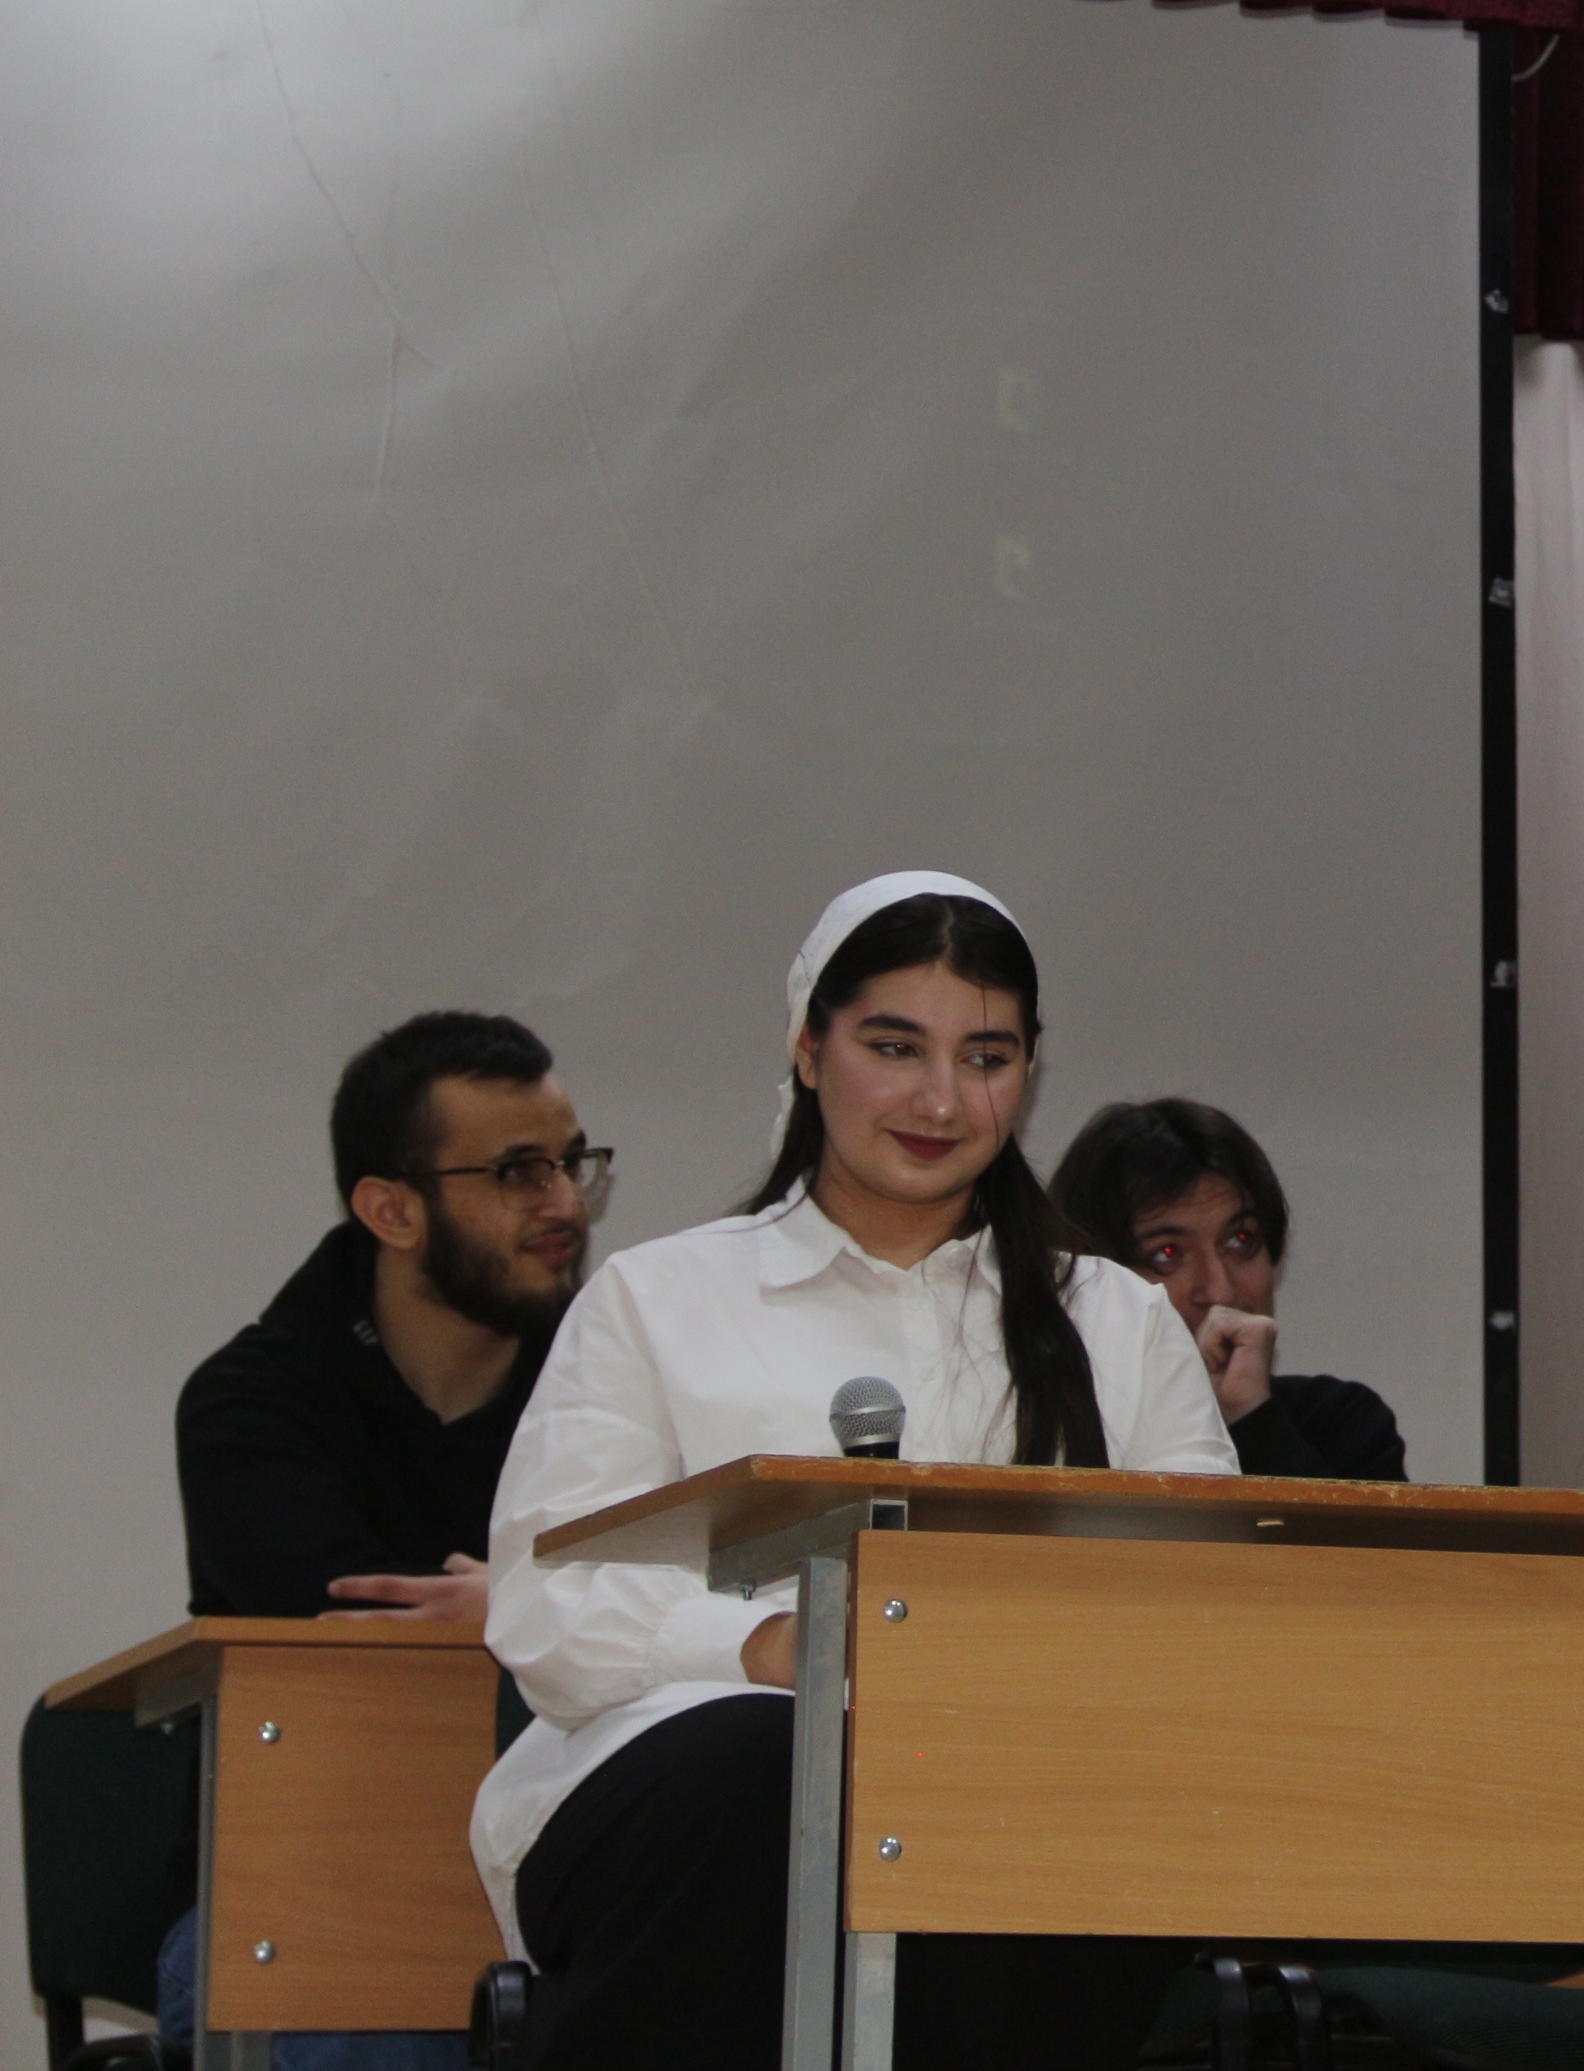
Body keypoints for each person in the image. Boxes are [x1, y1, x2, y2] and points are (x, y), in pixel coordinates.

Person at [475, 875, 1237, 2071]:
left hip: (1006, 1778)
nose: (941, 1100)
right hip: (694, 1781)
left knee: (1075, 1803)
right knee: (773, 1763)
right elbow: (545, 1597)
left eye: (986, 1058)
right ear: (808, 1046)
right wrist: (776, 1650)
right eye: (894, 1047)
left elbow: (1209, 1614)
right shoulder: (660, 1298)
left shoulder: (1118, 1322)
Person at [159, 1010, 603, 2070]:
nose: (565, 1203)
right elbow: (360, 1628)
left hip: (568, 1865)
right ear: (392, 1210)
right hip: (306, 1880)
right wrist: (551, 1605)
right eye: (519, 1172)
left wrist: (515, 1604)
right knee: (368, 2002)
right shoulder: (252, 1404)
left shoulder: (612, 1383)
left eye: (572, 1163)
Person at [1049, 1097, 1407, 1480]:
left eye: (1240, 1240)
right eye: (1167, 1253)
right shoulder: (1043, 1430)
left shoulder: (1342, 1425)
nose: (1220, 1291)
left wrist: (1251, 1416)